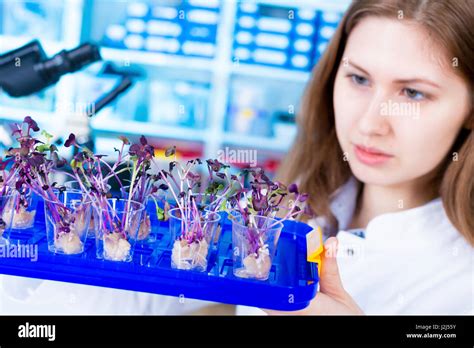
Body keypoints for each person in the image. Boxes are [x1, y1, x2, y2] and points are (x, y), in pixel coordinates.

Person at [245, 0, 473, 315]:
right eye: (359, 79)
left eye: (413, 93)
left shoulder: (464, 284)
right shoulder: (301, 192)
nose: (369, 124)